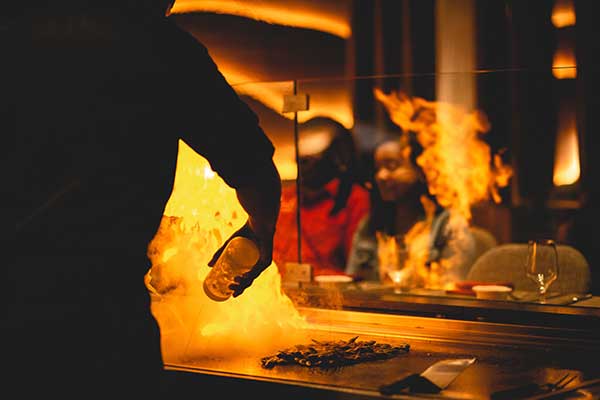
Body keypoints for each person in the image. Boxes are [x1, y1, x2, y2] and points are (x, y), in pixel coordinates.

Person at [9, 0, 280, 397]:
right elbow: (253, 165)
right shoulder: (158, 47)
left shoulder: (16, 34)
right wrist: (259, 230)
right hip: (100, 318)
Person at [346, 132, 484, 285]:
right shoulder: (371, 224)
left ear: (420, 170)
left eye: (392, 166)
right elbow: (352, 283)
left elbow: (452, 290)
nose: (381, 176)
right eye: (378, 168)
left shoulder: (449, 225)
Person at [273, 117, 370, 277]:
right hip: (276, 286)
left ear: (337, 159)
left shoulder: (354, 199)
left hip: (329, 289)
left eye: (310, 161)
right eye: (300, 160)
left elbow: (358, 270)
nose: (303, 167)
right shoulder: (286, 197)